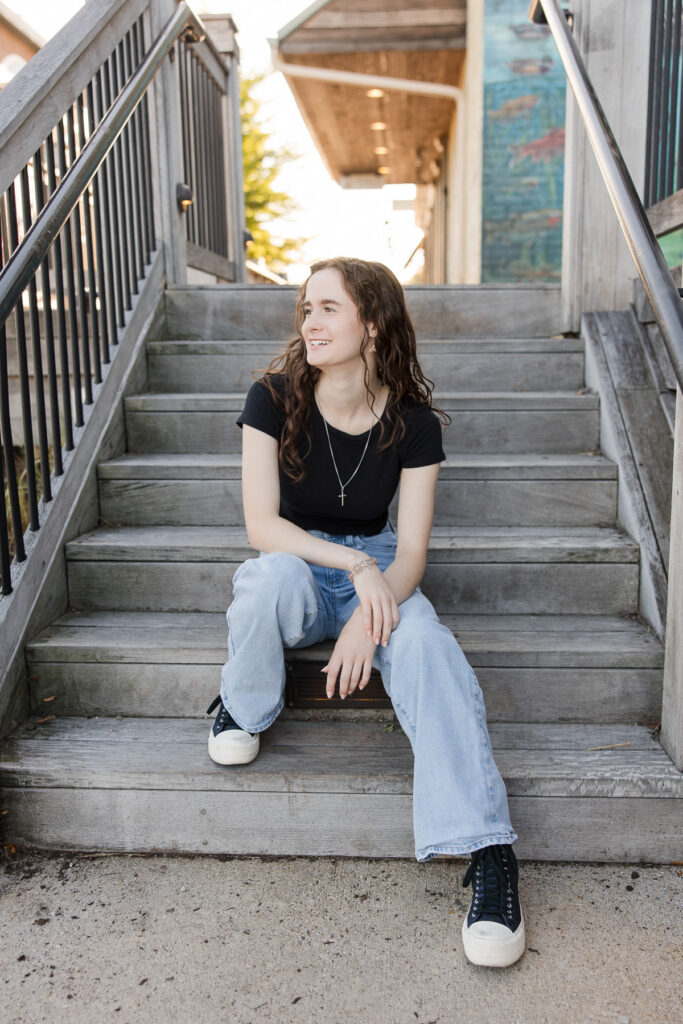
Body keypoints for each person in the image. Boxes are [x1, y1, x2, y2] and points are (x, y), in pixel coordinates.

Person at [206, 257, 525, 968]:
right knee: (262, 581)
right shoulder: (271, 396)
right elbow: (262, 526)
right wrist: (351, 567)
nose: (308, 323)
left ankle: (489, 849)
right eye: (305, 309)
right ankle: (241, 703)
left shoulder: (412, 425)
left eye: (327, 309)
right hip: (302, 565)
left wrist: (366, 609)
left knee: (423, 649)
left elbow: (408, 552)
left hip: (381, 569)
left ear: (371, 323)